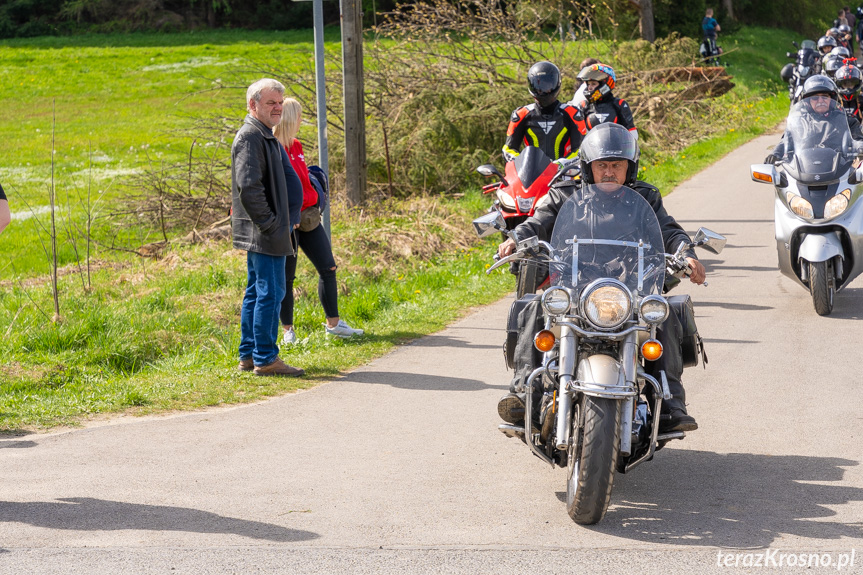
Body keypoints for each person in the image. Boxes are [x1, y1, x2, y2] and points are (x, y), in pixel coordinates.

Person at [496, 123, 707, 433]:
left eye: (617, 165)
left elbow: (669, 230)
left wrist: (685, 252)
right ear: (588, 167)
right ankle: (526, 393)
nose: (610, 172)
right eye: (603, 165)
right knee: (534, 305)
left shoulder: (645, 196)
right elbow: (538, 222)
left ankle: (671, 401)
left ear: (629, 167)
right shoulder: (567, 194)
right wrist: (518, 238)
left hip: (629, 286)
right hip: (574, 283)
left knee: (665, 310)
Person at [273, 98, 363, 343]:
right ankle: (287, 332)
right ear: (290, 118)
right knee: (287, 277)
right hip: (289, 222)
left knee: (328, 267)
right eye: (299, 116)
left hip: (309, 216)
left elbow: (301, 181)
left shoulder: (297, 146)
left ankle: (333, 325)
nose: (301, 121)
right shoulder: (274, 148)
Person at [232, 78, 305, 377]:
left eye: (280, 102)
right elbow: (249, 188)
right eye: (270, 103)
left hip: (270, 230)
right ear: (253, 105)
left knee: (257, 291)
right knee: (270, 293)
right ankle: (265, 357)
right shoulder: (250, 137)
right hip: (266, 232)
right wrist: (272, 225)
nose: (277, 108)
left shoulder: (265, 134)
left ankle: (249, 355)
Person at [765, 75, 863, 164]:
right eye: (815, 98)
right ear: (807, 102)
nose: (820, 101)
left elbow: (856, 140)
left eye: (824, 97)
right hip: (802, 171)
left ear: (832, 99)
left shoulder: (847, 121)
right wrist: (775, 154)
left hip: (840, 171)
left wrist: (860, 148)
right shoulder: (800, 122)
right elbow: (786, 141)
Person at [502, 61, 585, 163]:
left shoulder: (572, 114)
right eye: (538, 84)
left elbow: (580, 150)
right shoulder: (521, 114)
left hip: (564, 174)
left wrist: (562, 163)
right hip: (530, 174)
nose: (543, 90)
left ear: (556, 83)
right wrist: (523, 161)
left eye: (547, 85)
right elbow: (508, 149)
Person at [574, 63, 638, 140]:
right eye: (588, 84)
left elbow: (632, 132)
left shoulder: (619, 104)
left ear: (605, 84)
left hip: (617, 149)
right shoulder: (583, 105)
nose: (589, 88)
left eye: (593, 84)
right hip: (592, 150)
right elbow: (577, 134)